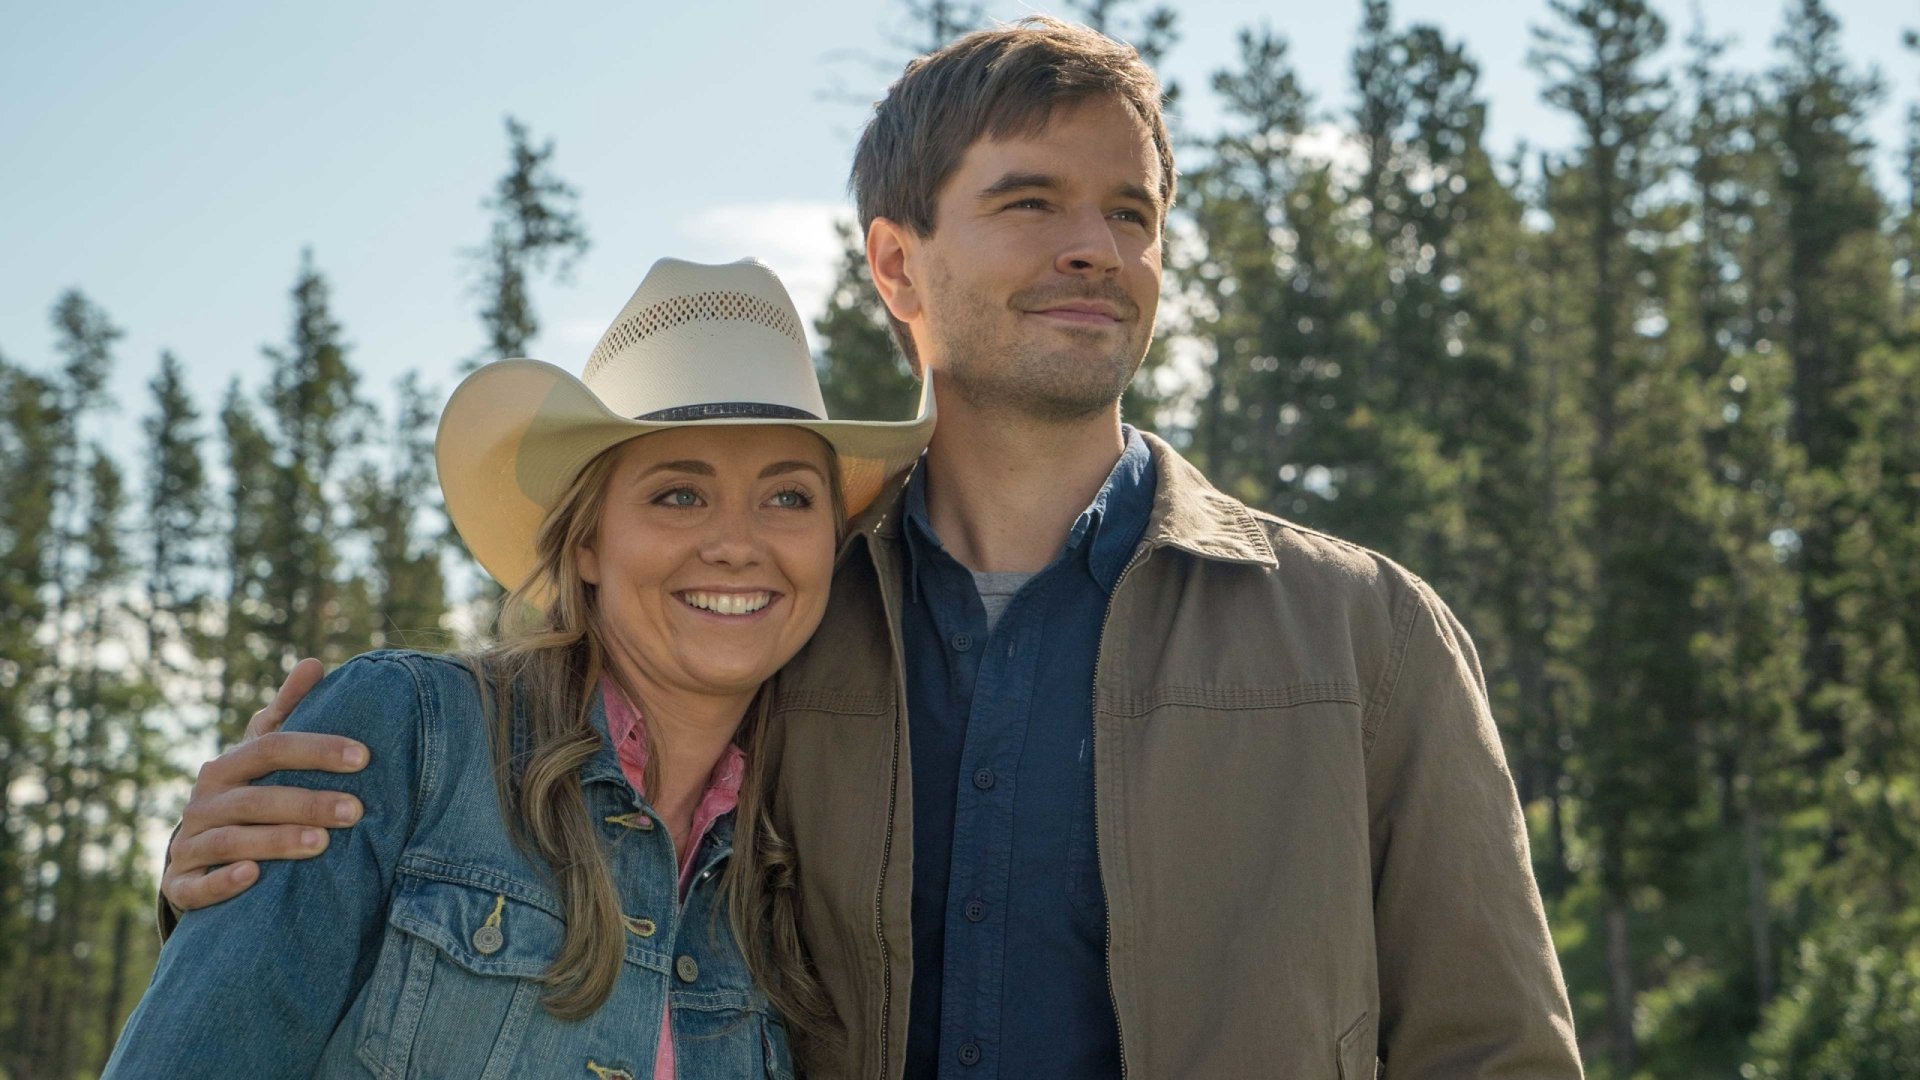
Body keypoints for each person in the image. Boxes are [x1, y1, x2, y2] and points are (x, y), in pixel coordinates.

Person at [162, 18, 1584, 1079]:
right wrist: (237, 891)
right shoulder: (772, 635)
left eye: (1132, 213)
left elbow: (1495, 1048)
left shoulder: (1363, 636)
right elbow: (555, 819)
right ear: (897, 263)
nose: (1096, 245)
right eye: (1031, 201)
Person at [110, 257, 934, 1078]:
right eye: (679, 494)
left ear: (831, 538)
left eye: (788, 497)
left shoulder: (802, 856)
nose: (736, 543)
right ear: (586, 542)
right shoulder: (403, 735)